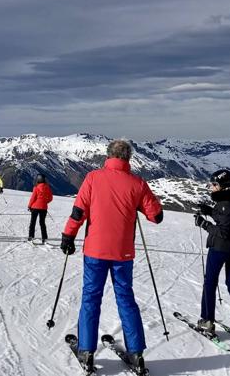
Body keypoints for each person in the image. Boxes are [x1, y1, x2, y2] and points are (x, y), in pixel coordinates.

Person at [61, 140, 163, 373]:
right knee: (126, 299)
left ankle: (87, 351)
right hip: (123, 253)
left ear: (108, 156)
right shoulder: (137, 183)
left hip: (95, 251)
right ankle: (136, 353)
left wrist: (68, 235)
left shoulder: (93, 178)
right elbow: (156, 216)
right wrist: (141, 203)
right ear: (128, 158)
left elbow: (79, 211)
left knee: (91, 298)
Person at [193, 169, 230, 340]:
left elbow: (223, 230)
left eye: (214, 184)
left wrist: (203, 224)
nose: (211, 187)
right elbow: (226, 217)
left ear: (223, 186)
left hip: (220, 248)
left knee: (210, 283)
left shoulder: (226, 202)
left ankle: (207, 321)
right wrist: (209, 210)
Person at [27, 174, 53, 243]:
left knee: (33, 222)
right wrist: (45, 202)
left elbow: (33, 198)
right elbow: (50, 198)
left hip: (35, 207)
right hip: (44, 208)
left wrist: (29, 206)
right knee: (42, 223)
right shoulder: (47, 187)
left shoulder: (36, 187)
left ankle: (31, 237)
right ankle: (44, 238)